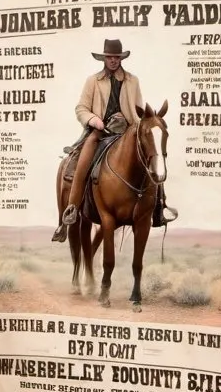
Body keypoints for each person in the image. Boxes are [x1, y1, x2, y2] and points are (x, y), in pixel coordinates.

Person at [52, 38, 177, 241]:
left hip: (127, 131)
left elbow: (137, 112)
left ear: (121, 58)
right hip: (101, 130)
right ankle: (72, 210)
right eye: (109, 57)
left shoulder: (132, 81)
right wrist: (94, 120)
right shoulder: (93, 81)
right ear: (104, 58)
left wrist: (143, 127)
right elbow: (81, 108)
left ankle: (159, 207)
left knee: (153, 156)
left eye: (116, 57)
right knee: (84, 158)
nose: (113, 60)